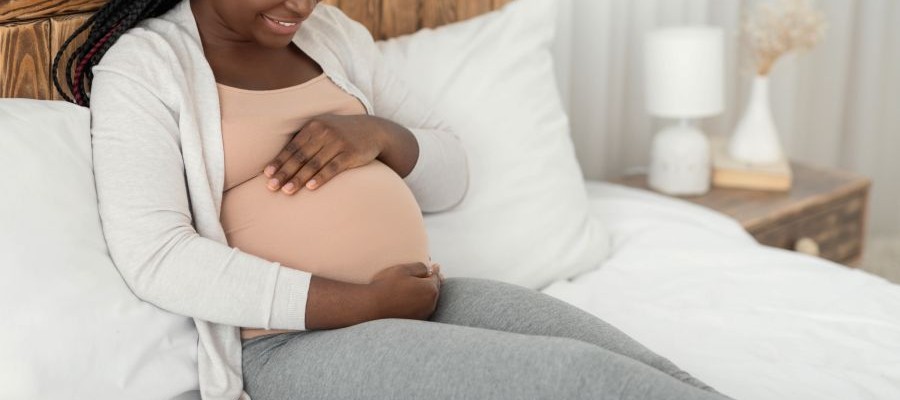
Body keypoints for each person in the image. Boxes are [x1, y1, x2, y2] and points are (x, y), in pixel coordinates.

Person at [55, 0, 732, 399]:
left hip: (423, 297)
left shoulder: (332, 38)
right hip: (291, 346)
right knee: (575, 379)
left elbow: (451, 176)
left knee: (645, 371)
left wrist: (377, 134)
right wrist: (359, 304)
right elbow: (157, 258)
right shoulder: (147, 67)